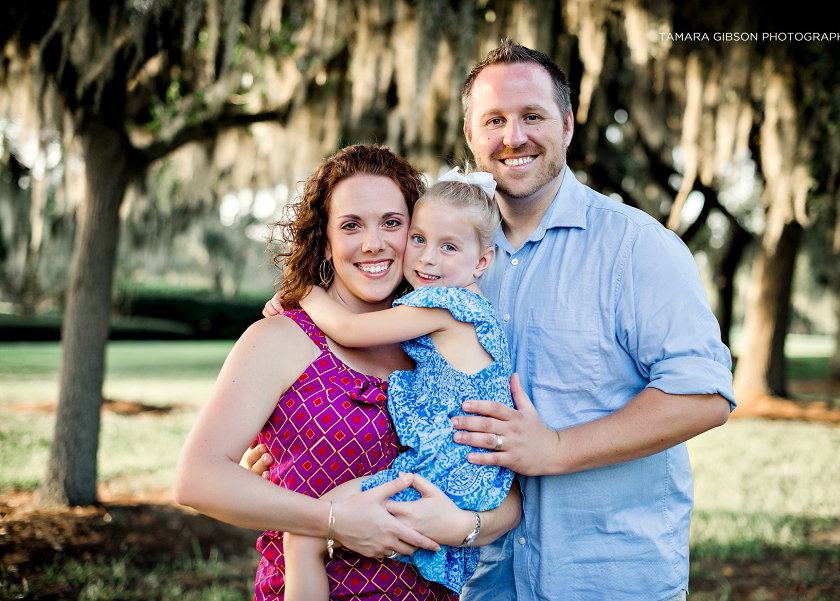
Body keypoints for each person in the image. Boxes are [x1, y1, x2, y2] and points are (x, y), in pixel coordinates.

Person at [261, 40, 735, 601]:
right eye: (494, 120)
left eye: (532, 116)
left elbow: (704, 394)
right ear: (470, 135)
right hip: (482, 578)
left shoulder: (636, 248)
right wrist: (298, 425)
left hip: (604, 576)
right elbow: (375, 318)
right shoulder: (446, 241)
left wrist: (556, 448)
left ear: (567, 124)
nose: (513, 137)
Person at [174, 144, 521, 601]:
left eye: (392, 224)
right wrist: (333, 522)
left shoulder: (432, 347)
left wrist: (463, 526)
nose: (373, 243)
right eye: (351, 225)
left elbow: (506, 490)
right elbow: (196, 478)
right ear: (326, 240)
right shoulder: (280, 338)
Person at [283, 168, 515, 600]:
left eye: (449, 247)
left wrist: (303, 294)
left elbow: (350, 331)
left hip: (444, 471)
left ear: (481, 262)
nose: (427, 258)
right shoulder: (480, 310)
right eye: (419, 239)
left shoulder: (446, 306)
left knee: (304, 534)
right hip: (471, 471)